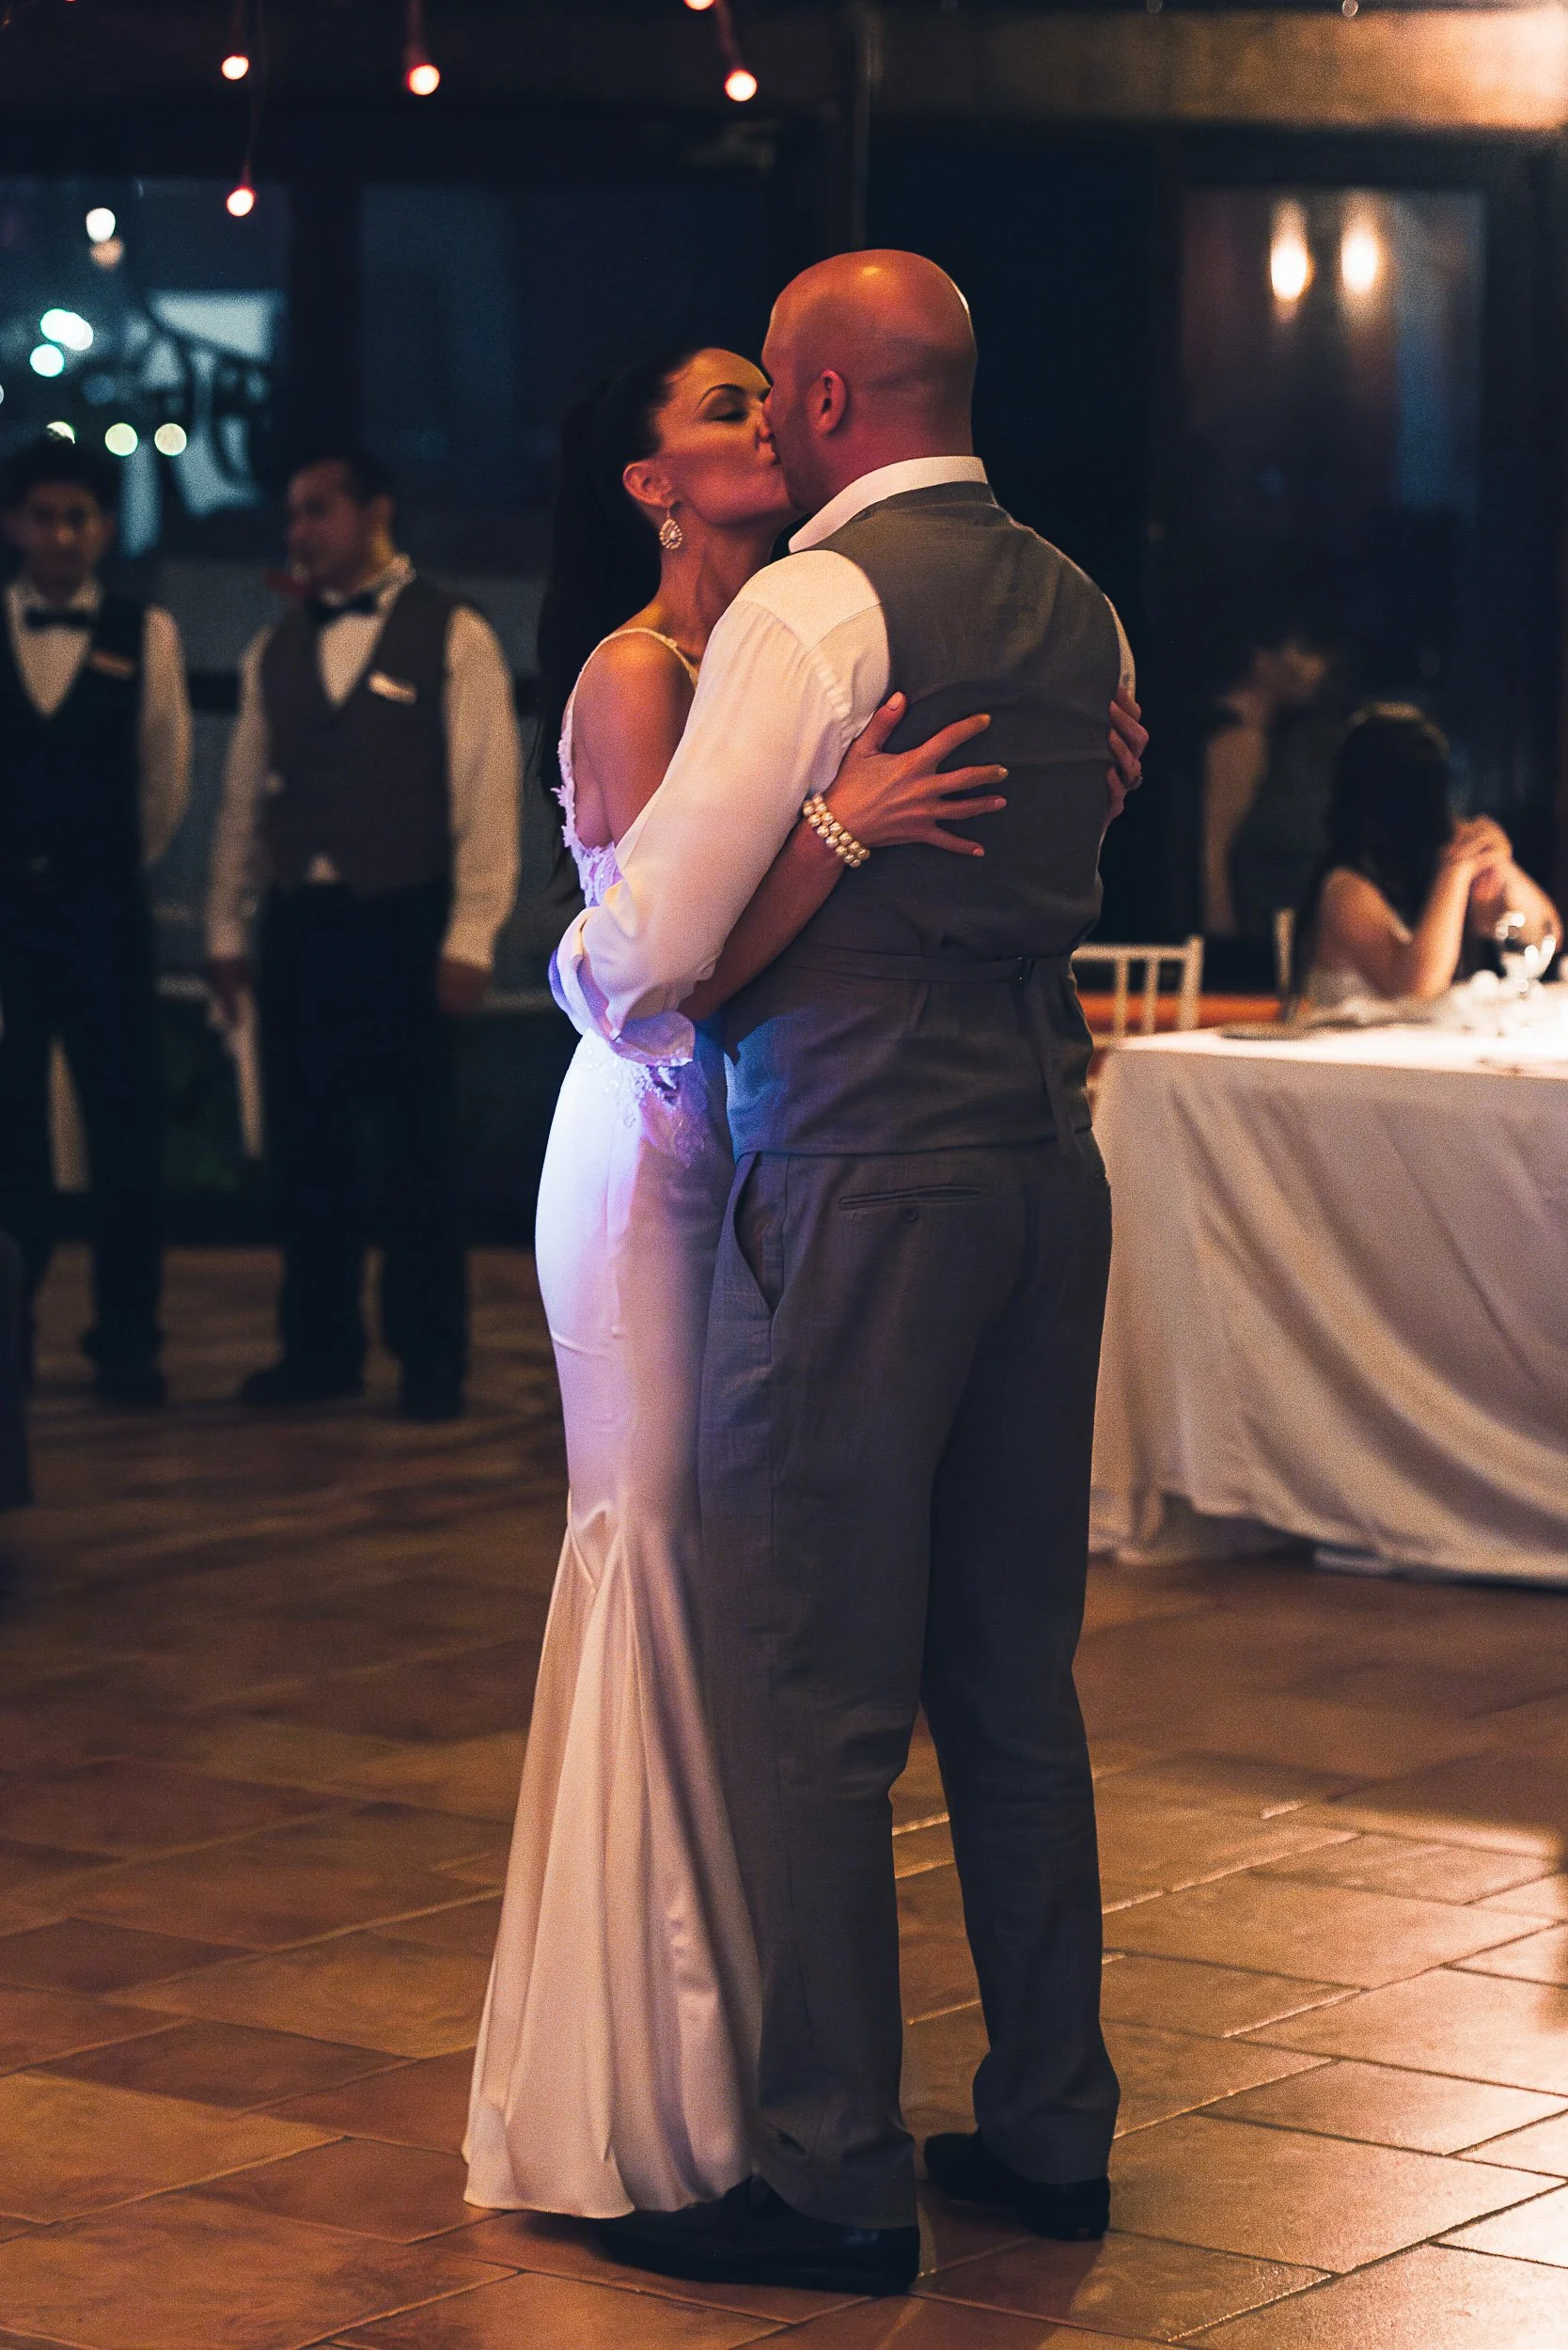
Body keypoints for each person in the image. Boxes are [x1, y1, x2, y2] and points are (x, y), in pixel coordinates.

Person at [465, 347, 1145, 2226]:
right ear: (645, 479)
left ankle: (818, 2153)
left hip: (822, 1158)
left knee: (800, 1655)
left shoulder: (811, 618)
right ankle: (750, 2082)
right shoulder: (664, 664)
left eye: (772, 394)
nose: (758, 422)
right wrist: (844, 829)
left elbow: (667, 945)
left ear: (840, 400)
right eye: (714, 403)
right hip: (694, 1141)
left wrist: (868, 835)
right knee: (737, 1597)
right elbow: (636, 982)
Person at [206, 448, 521, 1421]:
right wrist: (224, 921)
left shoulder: (454, 633)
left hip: (405, 917)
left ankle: (432, 1358)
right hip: (303, 922)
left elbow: (487, 793)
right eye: (292, 513)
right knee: (309, 1150)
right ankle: (319, 1348)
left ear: (375, 508)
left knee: (416, 1152)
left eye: (318, 509)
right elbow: (241, 804)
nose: (298, 530)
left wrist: (471, 934)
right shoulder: (277, 648)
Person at [0, 434, 191, 1405]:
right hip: (4, 930)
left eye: (78, 516)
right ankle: (10, 1340)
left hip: (105, 917)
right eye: (44, 515)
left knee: (126, 1129)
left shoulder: (143, 631)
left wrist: (94, 869)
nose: (62, 533)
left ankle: (127, 1339)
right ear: (14, 524)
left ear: (103, 529)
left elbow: (163, 785)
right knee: (9, 1137)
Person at [1299, 705, 1560, 1007]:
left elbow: (1540, 938)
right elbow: (1417, 987)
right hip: (1343, 1051)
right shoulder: (1345, 887)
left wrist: (1501, 864)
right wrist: (1457, 868)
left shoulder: (1430, 863)